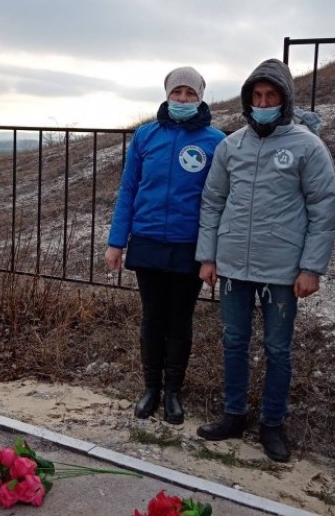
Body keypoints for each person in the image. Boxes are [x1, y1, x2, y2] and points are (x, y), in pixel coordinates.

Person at [195, 58, 335, 462]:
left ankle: (272, 424)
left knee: (277, 348)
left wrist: (311, 268)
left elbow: (325, 208)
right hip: (233, 265)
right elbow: (212, 201)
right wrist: (207, 256)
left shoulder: (307, 146)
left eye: (270, 96)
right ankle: (234, 414)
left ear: (285, 100)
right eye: (256, 96)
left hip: (282, 269)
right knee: (233, 342)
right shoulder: (232, 146)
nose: (262, 103)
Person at [105, 66, 225, 424]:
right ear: (167, 95)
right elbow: (129, 189)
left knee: (180, 320)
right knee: (153, 317)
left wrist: (211, 253)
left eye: (190, 93)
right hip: (148, 240)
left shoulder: (216, 141)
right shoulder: (145, 136)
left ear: (200, 97)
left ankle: (173, 391)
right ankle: (150, 389)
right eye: (177, 92)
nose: (183, 99)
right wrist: (116, 241)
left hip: (189, 244)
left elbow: (219, 200)